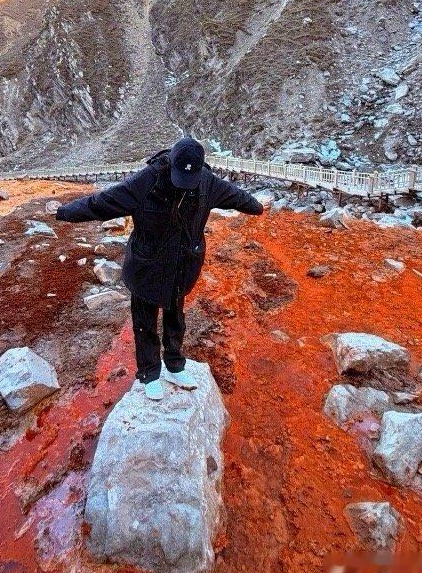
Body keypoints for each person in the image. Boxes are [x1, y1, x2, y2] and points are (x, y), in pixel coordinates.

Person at [54, 137, 264, 400]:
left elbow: (236, 196)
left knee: (176, 319)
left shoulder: (207, 182)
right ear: (171, 164)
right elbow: (102, 202)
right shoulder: (146, 181)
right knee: (145, 324)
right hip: (146, 267)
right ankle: (150, 374)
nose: (184, 184)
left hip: (182, 266)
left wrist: (256, 206)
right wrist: (64, 212)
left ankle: (175, 365)